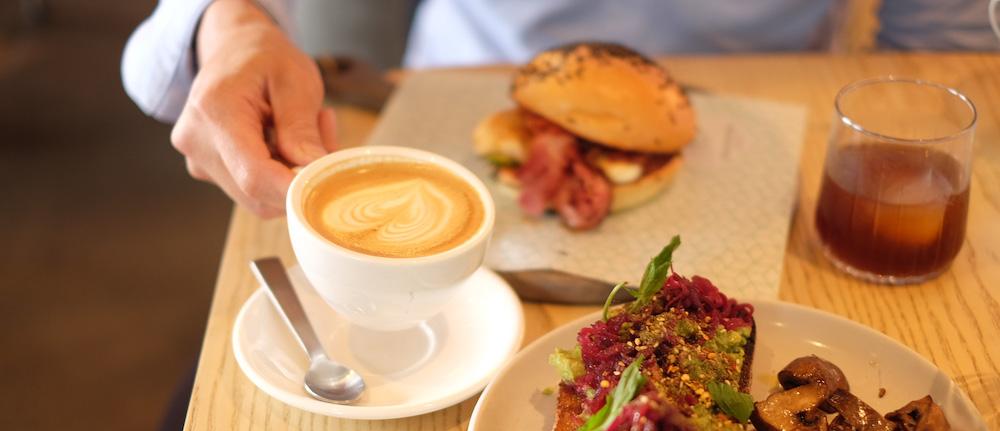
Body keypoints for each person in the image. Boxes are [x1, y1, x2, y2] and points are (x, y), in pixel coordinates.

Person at [122, 0, 995, 431]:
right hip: (461, 83)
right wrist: (226, 21)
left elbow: (947, 37)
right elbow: (185, 26)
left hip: (775, 118)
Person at [123, 0, 997, 220]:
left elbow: (947, 37)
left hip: (770, 147)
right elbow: (169, 42)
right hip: (445, 114)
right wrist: (224, 23)